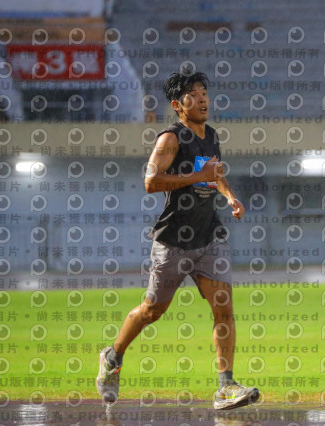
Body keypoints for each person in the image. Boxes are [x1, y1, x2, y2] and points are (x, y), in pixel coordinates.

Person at [96, 69, 260, 410]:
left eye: (204, 93)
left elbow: (215, 173)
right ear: (177, 105)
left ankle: (225, 386)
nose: (202, 99)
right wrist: (197, 176)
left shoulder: (211, 136)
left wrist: (230, 196)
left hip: (209, 236)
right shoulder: (170, 139)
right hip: (173, 241)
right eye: (193, 95)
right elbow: (151, 182)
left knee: (224, 309)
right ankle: (112, 357)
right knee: (152, 310)